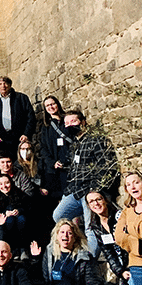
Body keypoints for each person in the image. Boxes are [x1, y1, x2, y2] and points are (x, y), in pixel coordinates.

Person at [52, 109, 119, 255]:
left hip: (89, 190)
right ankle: (76, 247)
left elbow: (107, 166)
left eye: (73, 122)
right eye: (67, 123)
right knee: (59, 216)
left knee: (90, 226)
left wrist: (94, 190)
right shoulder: (75, 144)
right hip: (73, 190)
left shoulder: (96, 140)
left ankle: (90, 257)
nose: (70, 125)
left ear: (82, 122)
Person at [0, 76, 36, 158]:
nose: (3, 86)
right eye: (0, 84)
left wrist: (26, 134)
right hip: (1, 141)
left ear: (10, 85)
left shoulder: (21, 98)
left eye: (5, 83)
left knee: (22, 163)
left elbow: (30, 117)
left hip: (20, 138)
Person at [39, 95, 70, 205]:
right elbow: (43, 149)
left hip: (69, 166)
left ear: (57, 104)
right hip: (55, 169)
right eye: (47, 105)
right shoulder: (46, 127)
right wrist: (52, 163)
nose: (50, 107)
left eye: (52, 104)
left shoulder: (68, 121)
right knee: (60, 200)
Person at [0, 173, 29, 251]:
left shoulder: (21, 195)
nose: (4, 186)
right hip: (5, 225)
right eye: (1, 184)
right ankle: (11, 249)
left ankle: (23, 249)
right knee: (9, 220)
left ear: (11, 183)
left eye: (7, 183)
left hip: (21, 223)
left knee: (21, 219)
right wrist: (4, 214)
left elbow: (29, 208)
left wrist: (19, 211)